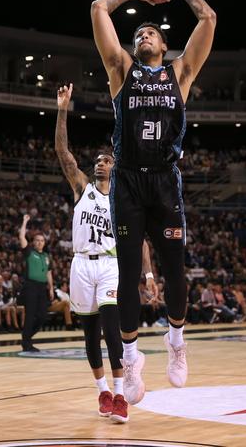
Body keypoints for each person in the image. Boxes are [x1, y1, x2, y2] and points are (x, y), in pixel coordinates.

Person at [90, 0, 216, 404]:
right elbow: (97, 8)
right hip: (126, 181)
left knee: (175, 273)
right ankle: (129, 359)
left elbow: (209, 19)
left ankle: (176, 342)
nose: (144, 34)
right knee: (127, 273)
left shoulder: (180, 75)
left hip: (165, 182)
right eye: (139, 32)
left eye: (152, 32)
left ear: (164, 45)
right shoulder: (121, 69)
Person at [54, 84, 157, 423]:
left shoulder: (124, 199)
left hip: (110, 265)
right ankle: (102, 391)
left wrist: (148, 274)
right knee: (89, 332)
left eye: (107, 160)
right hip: (81, 264)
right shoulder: (82, 188)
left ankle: (120, 393)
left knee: (112, 329)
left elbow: (141, 239)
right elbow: (62, 152)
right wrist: (62, 109)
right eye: (98, 160)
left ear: (116, 166)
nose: (101, 163)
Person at [18, 214, 54, 352]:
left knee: (42, 316)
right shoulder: (29, 252)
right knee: (30, 314)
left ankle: (26, 337)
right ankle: (27, 342)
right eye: (37, 240)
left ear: (44, 243)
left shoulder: (46, 256)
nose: (39, 242)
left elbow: (49, 273)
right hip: (30, 286)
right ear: (33, 242)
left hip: (42, 288)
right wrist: (24, 221)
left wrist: (50, 289)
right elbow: (21, 237)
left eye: (42, 240)